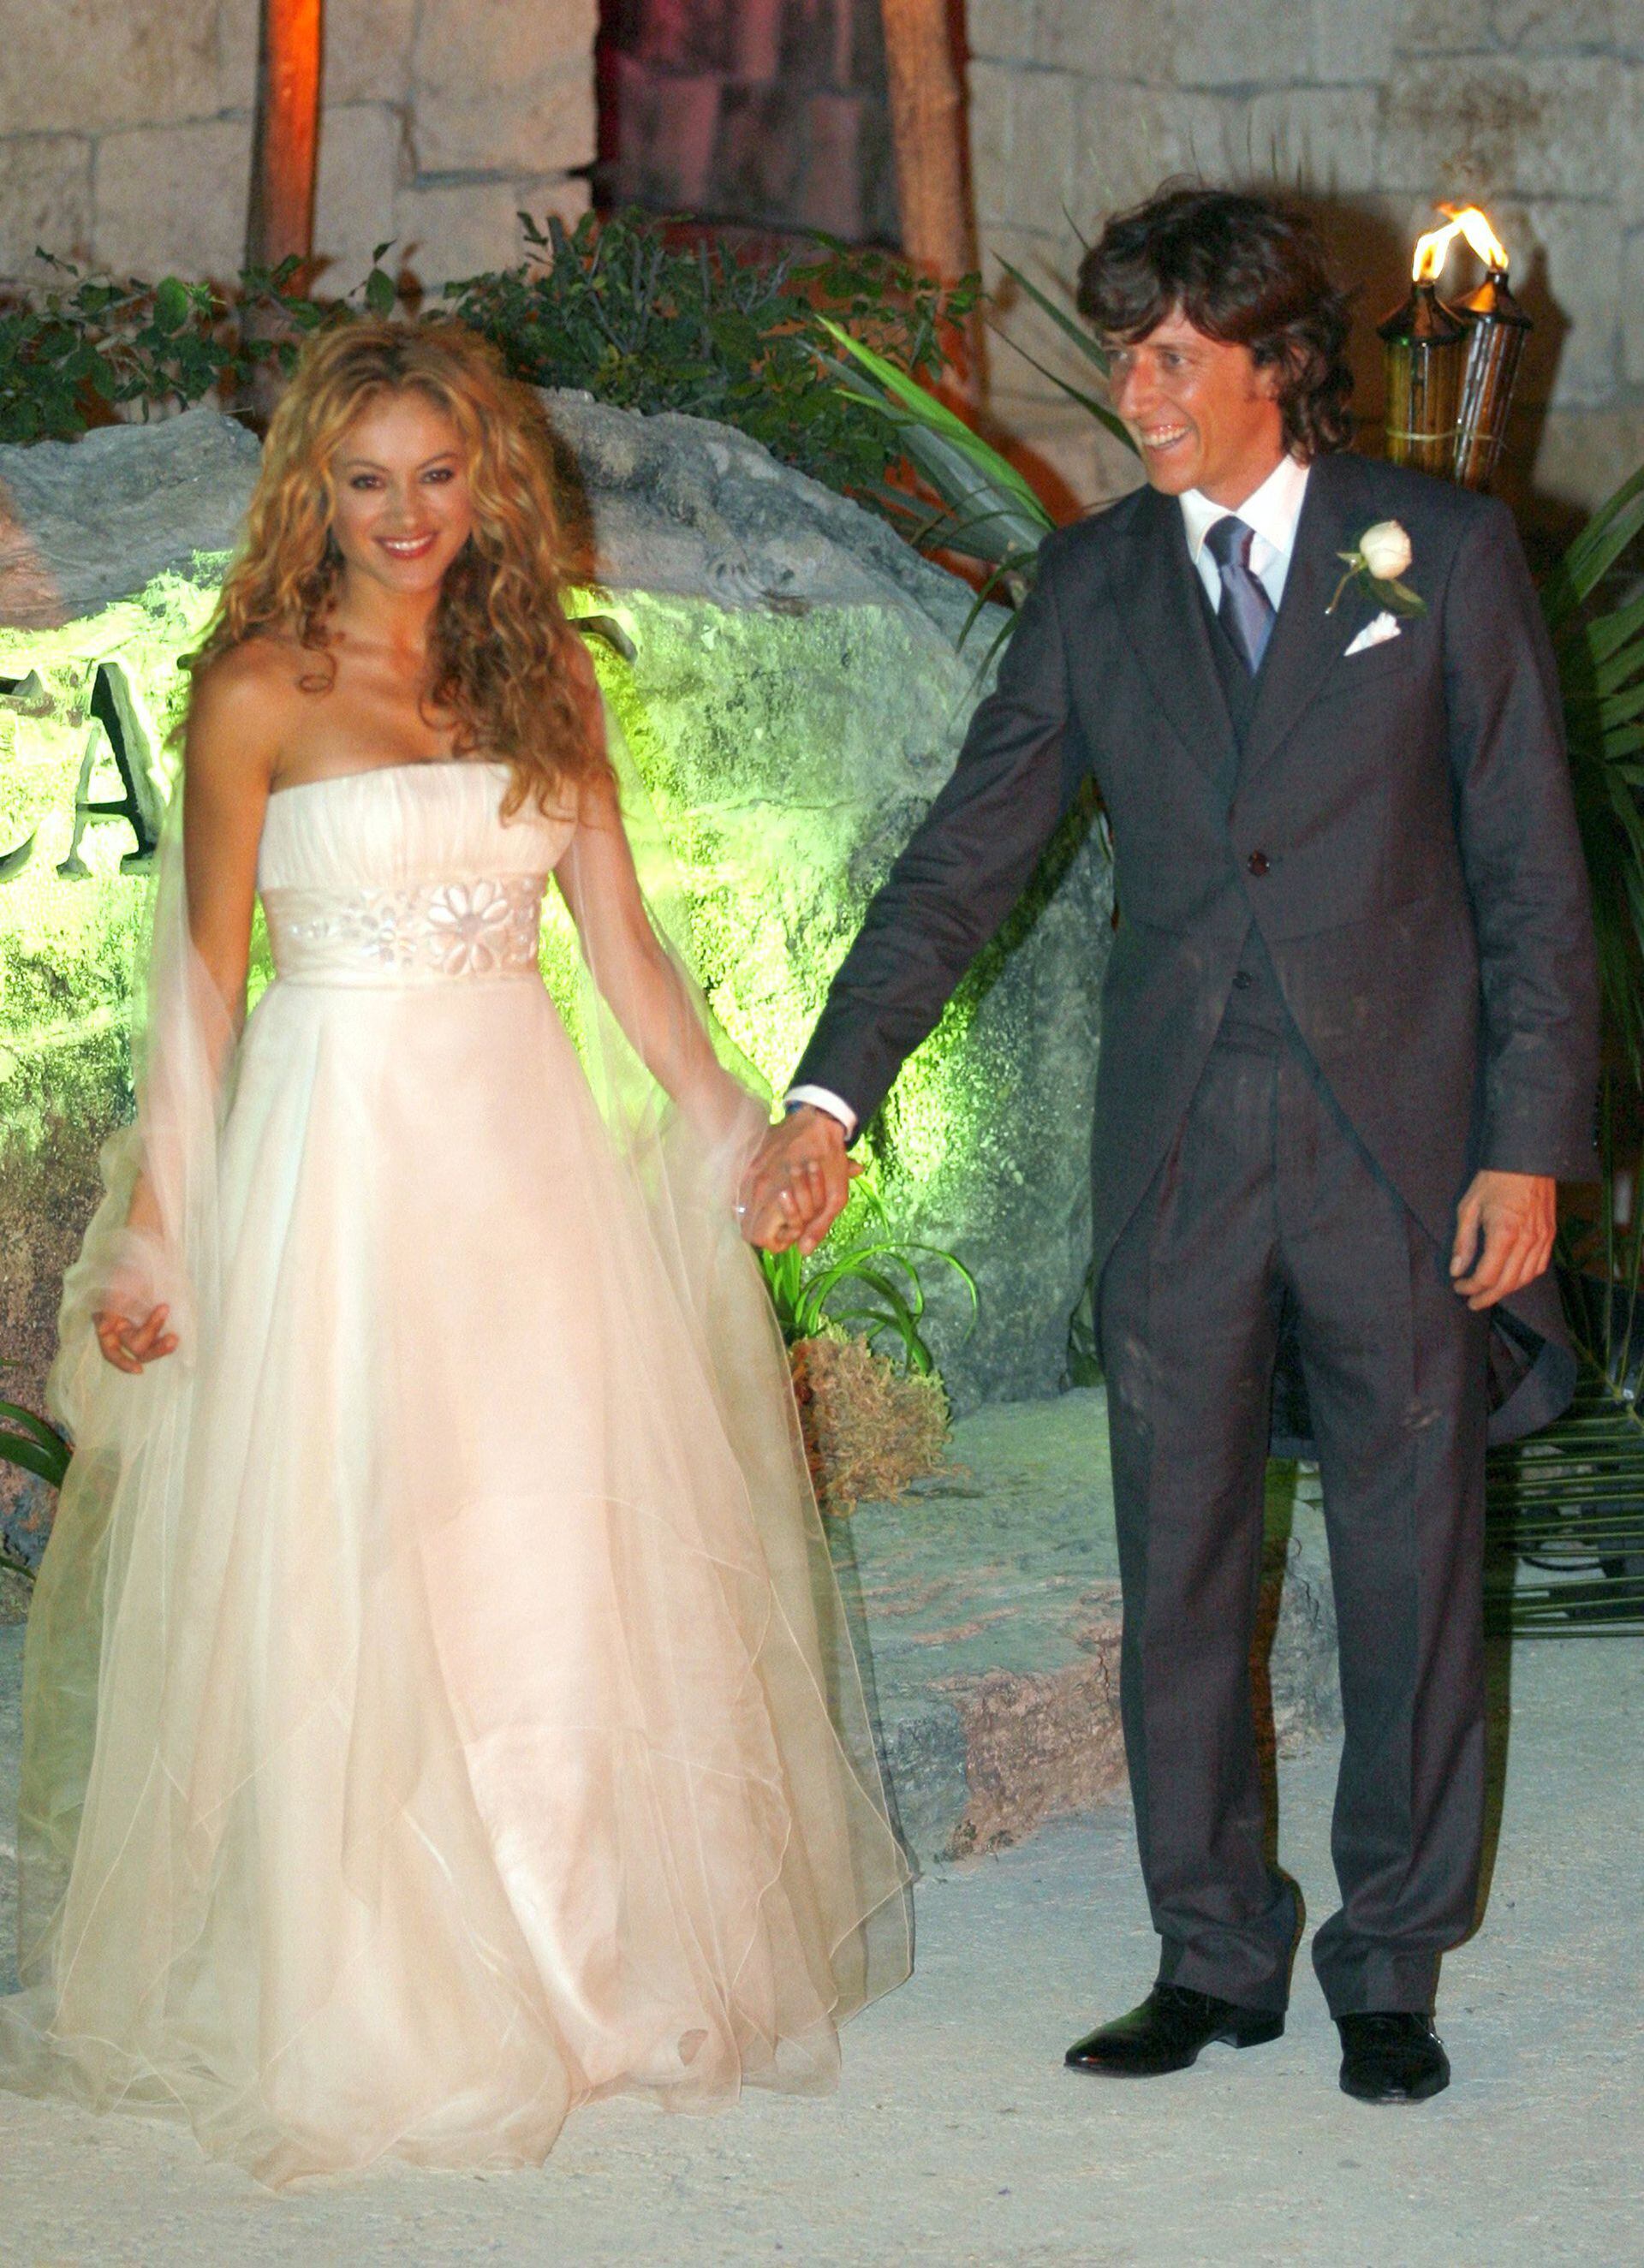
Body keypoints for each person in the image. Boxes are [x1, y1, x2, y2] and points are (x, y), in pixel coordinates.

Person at [0, 320, 908, 2186]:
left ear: (486, 481)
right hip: (335, 1163)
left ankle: (578, 1971)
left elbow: (629, 954)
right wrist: (164, 1216)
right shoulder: (253, 686)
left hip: (516, 1158)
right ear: (312, 496)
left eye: (439, 473)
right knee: (350, 1541)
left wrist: (738, 1125)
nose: (409, 514)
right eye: (368, 480)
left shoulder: (548, 679)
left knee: (534, 1544)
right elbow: (198, 982)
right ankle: (371, 1994)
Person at [746, 185, 1599, 2104]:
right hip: (1180, 1155)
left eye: (1166, 354)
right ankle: (1212, 1946)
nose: (1130, 388)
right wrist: (828, 1094)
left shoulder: (1435, 552)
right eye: (1123, 348)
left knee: (1409, 1557)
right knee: (1182, 1562)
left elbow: (1534, 876)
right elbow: (963, 862)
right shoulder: (1095, 584)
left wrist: (1527, 1146)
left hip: (1405, 1150)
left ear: (1273, 365)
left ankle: (1392, 1956)